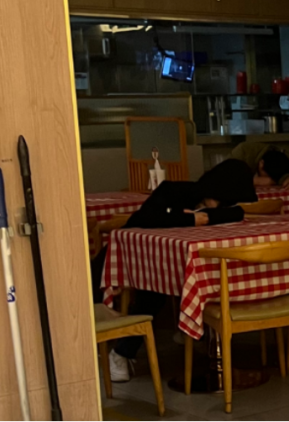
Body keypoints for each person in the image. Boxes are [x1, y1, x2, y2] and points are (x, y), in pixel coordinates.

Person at [92, 159, 258, 382]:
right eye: (219, 200)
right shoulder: (172, 191)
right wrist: (190, 218)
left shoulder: (223, 207)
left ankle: (189, 330)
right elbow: (147, 218)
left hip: (173, 259)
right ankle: (121, 352)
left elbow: (237, 213)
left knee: (207, 275)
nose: (220, 206)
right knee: (154, 289)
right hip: (130, 256)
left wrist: (206, 217)